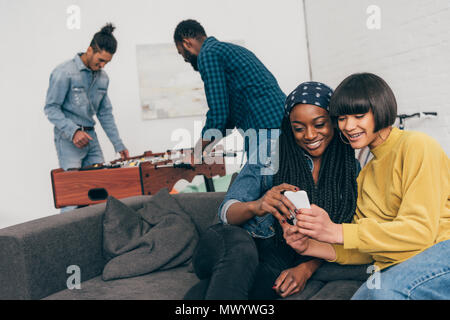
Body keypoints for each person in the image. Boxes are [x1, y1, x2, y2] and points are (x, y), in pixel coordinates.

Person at [184, 82, 360, 300]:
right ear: (289, 127)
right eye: (298, 128)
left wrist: (306, 268)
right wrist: (257, 205)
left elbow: (344, 236)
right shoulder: (271, 151)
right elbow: (227, 213)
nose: (310, 134)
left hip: (274, 260)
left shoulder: (350, 169)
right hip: (228, 243)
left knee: (204, 294)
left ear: (334, 122)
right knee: (241, 250)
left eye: (319, 124)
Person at [286, 73, 450, 300]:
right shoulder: (365, 175)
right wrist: (311, 247)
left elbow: (419, 233)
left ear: (380, 111)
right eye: (342, 118)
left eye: (359, 115)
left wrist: (335, 230)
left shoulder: (417, 146)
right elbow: (366, 245)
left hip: (440, 250)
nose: (348, 126)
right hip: (397, 262)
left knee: (382, 293)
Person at [173, 19, 285, 163]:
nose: (185, 59)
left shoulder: (208, 54)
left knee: (259, 183)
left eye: (182, 53)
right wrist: (207, 145)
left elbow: (218, 114)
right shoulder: (228, 49)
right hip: (281, 123)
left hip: (265, 130)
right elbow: (228, 119)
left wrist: (196, 152)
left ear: (186, 43)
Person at [44, 23, 129, 211]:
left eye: (107, 62)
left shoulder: (103, 78)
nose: (102, 65)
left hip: (91, 138)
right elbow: (51, 108)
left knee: (101, 190)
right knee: (73, 197)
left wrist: (118, 144)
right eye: (100, 60)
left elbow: (105, 113)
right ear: (90, 50)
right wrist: (73, 132)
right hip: (68, 140)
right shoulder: (64, 73)